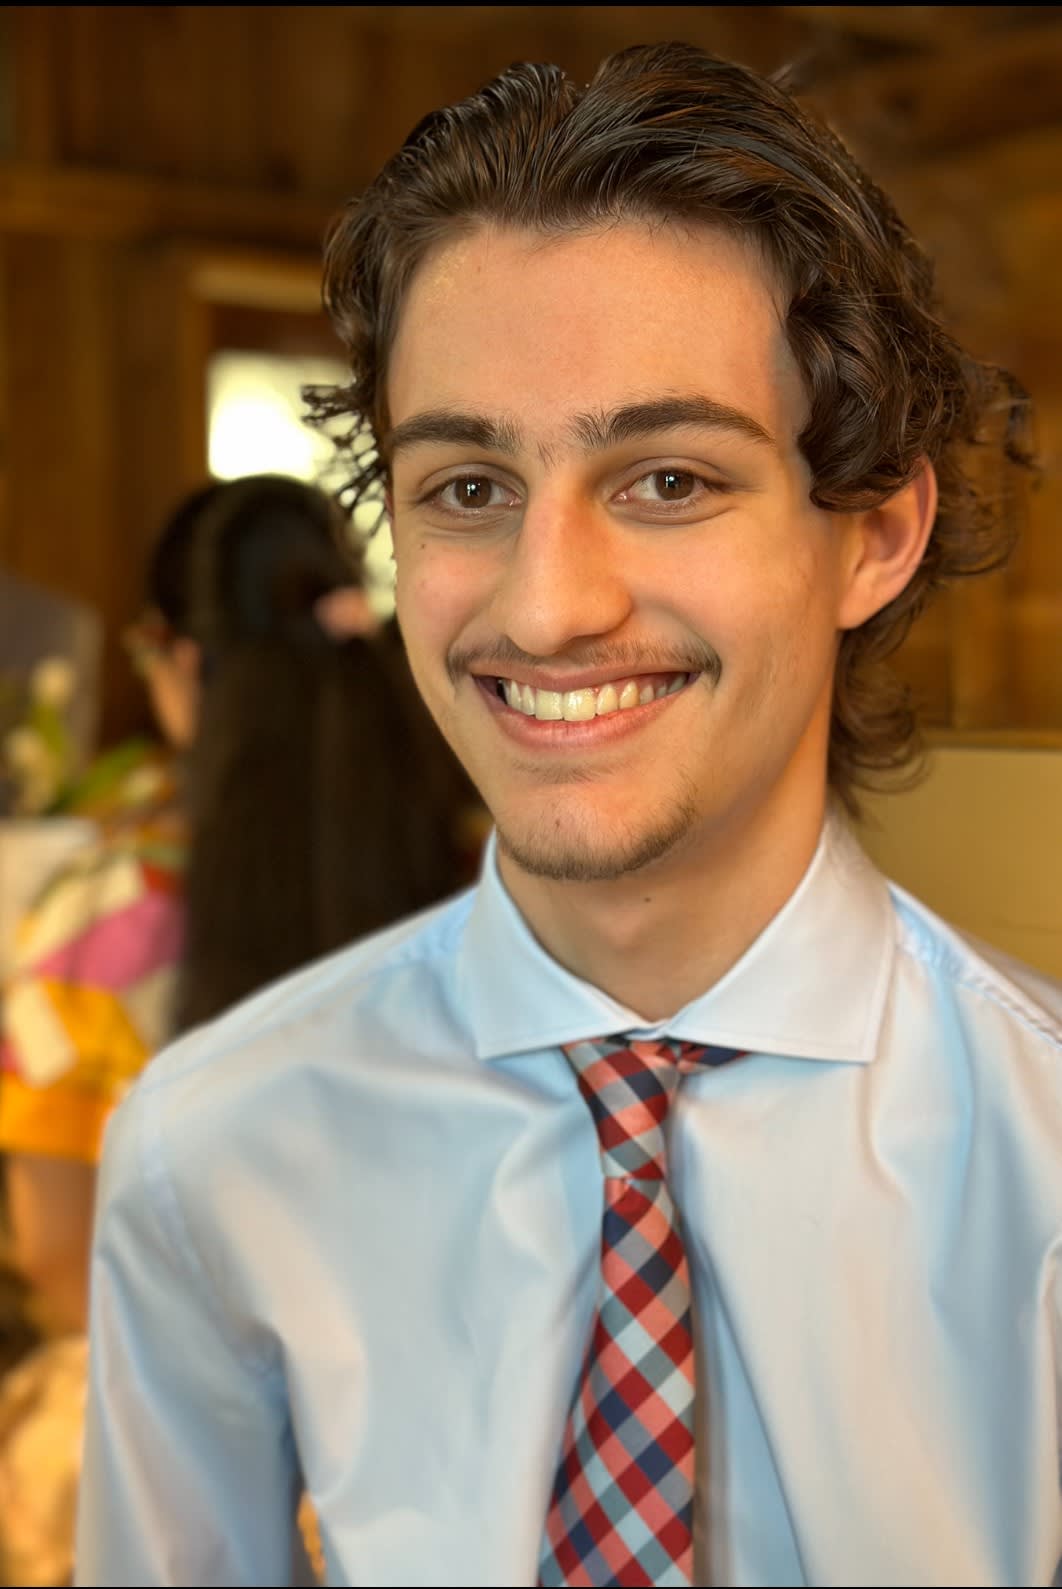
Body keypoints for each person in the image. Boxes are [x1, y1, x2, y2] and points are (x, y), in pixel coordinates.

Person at [75, 42, 1060, 1589]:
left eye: (666, 478)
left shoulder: (1040, 1163)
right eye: (467, 487)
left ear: (872, 531)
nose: (545, 608)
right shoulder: (215, 1152)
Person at [1, 473, 478, 1584]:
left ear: (180, 660)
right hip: (446, 1416)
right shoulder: (475, 875)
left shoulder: (101, 915)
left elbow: (65, 1261)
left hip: (179, 1438)